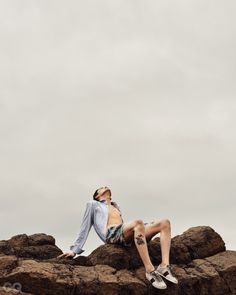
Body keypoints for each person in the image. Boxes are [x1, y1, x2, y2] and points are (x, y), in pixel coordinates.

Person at [58, 186, 178, 290]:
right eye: (101, 187)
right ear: (97, 195)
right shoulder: (93, 204)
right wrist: (75, 250)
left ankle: (164, 266)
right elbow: (85, 225)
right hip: (111, 233)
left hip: (123, 233)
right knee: (138, 222)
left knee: (164, 223)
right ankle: (150, 270)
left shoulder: (116, 206)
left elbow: (124, 225)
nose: (105, 186)